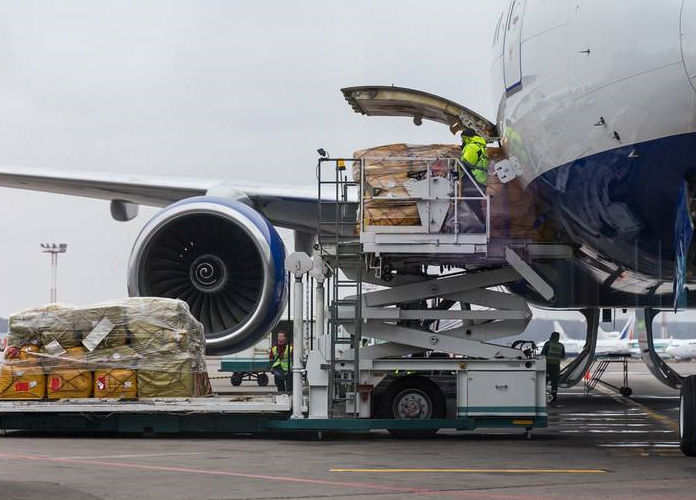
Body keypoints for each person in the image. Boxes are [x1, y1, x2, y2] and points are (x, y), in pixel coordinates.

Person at [541, 331, 566, 403]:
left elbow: (543, 354)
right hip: (556, 366)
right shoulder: (561, 345)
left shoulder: (548, 344)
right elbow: (563, 356)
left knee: (544, 381)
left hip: (547, 366)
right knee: (554, 382)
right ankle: (554, 397)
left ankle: (542, 395)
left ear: (551, 337)